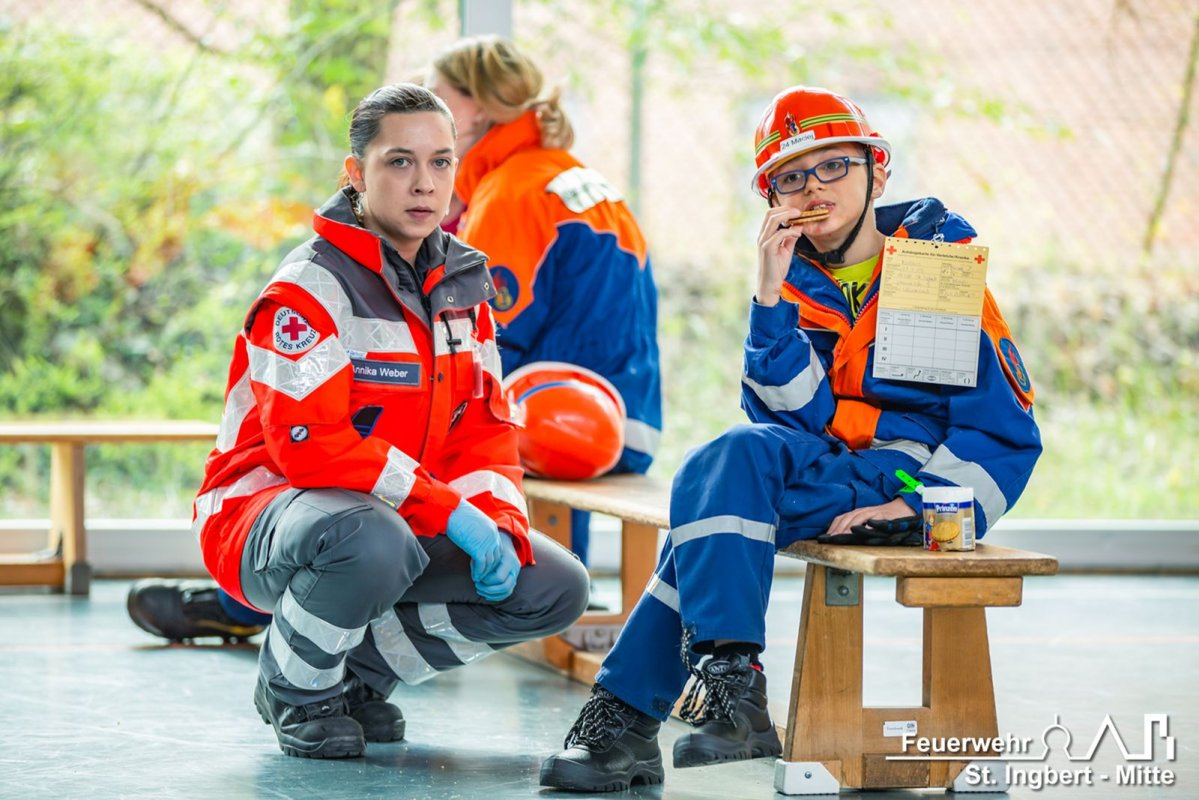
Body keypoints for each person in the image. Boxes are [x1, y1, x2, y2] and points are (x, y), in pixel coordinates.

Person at [538, 86, 1042, 792]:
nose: (814, 188)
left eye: (833, 166)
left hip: (904, 479)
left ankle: (623, 719)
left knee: (703, 527)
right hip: (824, 465)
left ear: (878, 171)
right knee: (724, 459)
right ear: (770, 195)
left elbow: (1001, 435)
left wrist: (921, 512)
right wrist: (768, 299)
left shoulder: (938, 274)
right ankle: (731, 684)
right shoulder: (794, 281)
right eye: (792, 176)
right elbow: (794, 422)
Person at [187, 83, 589, 759]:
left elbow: (483, 433)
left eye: (440, 163)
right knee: (372, 538)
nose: (423, 183)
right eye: (399, 162)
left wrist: (498, 524)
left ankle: (355, 682)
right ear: (355, 175)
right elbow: (311, 452)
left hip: (393, 517)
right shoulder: (307, 290)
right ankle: (297, 691)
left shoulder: (463, 288)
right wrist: (449, 513)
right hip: (262, 519)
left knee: (550, 585)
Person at [427, 35, 662, 565]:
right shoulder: (567, 177)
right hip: (628, 421)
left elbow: (484, 343)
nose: (426, 112)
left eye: (437, 98)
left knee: (405, 425)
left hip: (576, 429)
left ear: (478, 108)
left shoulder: (511, 195)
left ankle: (524, 587)